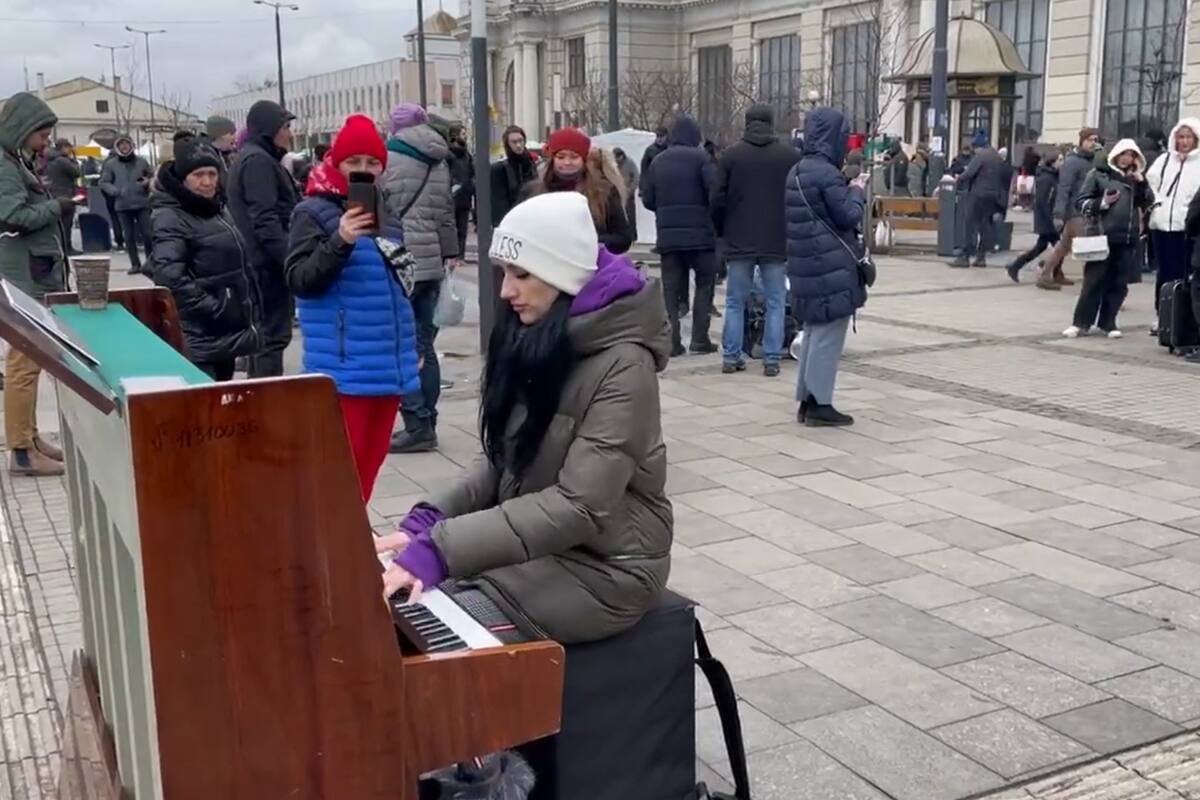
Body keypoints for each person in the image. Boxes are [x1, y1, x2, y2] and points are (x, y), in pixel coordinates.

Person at [375, 191, 672, 645]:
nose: (505, 291)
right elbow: (503, 459)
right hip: (542, 548)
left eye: (521, 274)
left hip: (607, 569)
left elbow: (580, 506)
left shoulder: (625, 364)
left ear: (562, 276)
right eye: (504, 273)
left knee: (427, 630)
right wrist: (430, 521)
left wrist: (442, 548)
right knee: (399, 607)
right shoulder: (539, 335)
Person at [285, 115, 421, 501]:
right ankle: (334, 548)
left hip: (388, 365)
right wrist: (340, 240)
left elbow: (398, 289)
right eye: (353, 162)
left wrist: (412, 349)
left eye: (372, 163)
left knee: (368, 470)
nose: (363, 171)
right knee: (338, 474)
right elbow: (301, 281)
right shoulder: (311, 212)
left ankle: (352, 544)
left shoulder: (387, 215)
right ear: (336, 162)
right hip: (344, 367)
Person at [150, 136, 261, 380]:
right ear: (183, 178)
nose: (207, 182)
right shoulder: (171, 216)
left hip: (224, 333)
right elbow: (169, 276)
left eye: (212, 174)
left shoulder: (217, 209)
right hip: (200, 335)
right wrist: (216, 307)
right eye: (198, 175)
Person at [0, 92, 70, 476]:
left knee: (33, 357)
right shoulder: (5, 166)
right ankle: (22, 451)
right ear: (22, 129)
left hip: (30, 269)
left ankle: (29, 435)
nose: (45, 142)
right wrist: (55, 206)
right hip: (23, 273)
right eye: (41, 134)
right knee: (25, 360)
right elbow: (10, 215)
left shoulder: (15, 160)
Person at [383, 103, 458, 454]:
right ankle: (429, 419)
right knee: (425, 345)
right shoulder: (439, 159)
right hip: (430, 265)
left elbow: (381, 210)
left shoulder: (388, 158)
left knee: (403, 345)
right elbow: (446, 213)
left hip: (399, 261)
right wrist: (449, 254)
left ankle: (416, 424)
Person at [785, 107, 868, 427]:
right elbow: (848, 215)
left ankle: (807, 399)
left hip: (806, 263)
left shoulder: (797, 170)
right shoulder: (826, 173)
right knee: (828, 333)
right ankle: (820, 404)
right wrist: (857, 191)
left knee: (815, 331)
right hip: (829, 264)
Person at [712, 104, 801, 377]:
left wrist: (722, 230)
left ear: (747, 123)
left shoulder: (731, 156)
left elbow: (717, 198)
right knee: (776, 300)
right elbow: (796, 198)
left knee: (735, 301)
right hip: (776, 238)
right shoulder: (789, 157)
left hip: (739, 238)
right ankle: (772, 358)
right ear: (771, 123)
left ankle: (731, 355)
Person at [227, 100, 298, 378]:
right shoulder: (258, 161)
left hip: (258, 263)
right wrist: (289, 259)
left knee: (264, 338)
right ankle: (268, 404)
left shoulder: (255, 157)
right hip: (265, 266)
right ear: (270, 129)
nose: (289, 133)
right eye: (286, 127)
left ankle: (260, 401)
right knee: (272, 338)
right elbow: (265, 218)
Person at [641, 116, 718, 356]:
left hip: (668, 238)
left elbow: (648, 199)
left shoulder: (658, 161)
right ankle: (699, 339)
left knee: (671, 291)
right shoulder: (703, 159)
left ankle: (672, 342)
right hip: (701, 237)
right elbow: (714, 192)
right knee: (705, 285)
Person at [1063, 140, 1152, 339]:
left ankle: (1108, 322)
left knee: (1119, 283)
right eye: (1123, 154)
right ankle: (1081, 323)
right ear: (1116, 155)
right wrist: (1101, 203)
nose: (1126, 158)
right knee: (1093, 281)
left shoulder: (1135, 179)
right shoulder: (1098, 174)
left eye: (1131, 155)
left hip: (1128, 237)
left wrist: (1141, 181)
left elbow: (1148, 201)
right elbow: (1081, 201)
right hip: (1103, 235)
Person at [528, 127, 633, 254]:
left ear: (583, 160)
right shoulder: (533, 192)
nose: (567, 162)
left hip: (592, 266)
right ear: (552, 159)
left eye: (574, 157)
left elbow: (623, 238)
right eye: (561, 157)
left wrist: (587, 242)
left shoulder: (604, 191)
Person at [1147, 118, 1200, 321]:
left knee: (1185, 272)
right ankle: (1162, 315)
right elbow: (1151, 185)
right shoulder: (1165, 160)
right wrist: (1158, 204)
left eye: (1188, 137)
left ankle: (1181, 317)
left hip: (1186, 226)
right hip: (1161, 225)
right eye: (1180, 137)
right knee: (1164, 272)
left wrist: (1190, 208)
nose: (1184, 142)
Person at [1040, 128, 1101, 290]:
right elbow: (1063, 188)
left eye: (1095, 140)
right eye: (1090, 140)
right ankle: (1094, 286)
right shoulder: (1072, 162)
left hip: (1086, 211)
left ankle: (1046, 274)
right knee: (1090, 250)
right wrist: (1058, 214)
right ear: (1081, 141)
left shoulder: (1094, 161)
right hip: (1076, 213)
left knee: (1063, 246)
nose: (1093, 143)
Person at [950, 130, 1006, 268]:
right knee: (985, 225)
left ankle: (964, 257)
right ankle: (981, 257)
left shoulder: (981, 156)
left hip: (978, 194)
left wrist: (958, 178)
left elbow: (969, 173)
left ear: (978, 146)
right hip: (993, 195)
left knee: (969, 224)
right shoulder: (996, 156)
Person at [100, 134, 154, 274]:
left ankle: (151, 262)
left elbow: (152, 176)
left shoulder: (142, 162)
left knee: (148, 234)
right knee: (128, 236)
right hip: (123, 205)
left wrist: (148, 182)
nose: (124, 147)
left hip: (142, 203)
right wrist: (115, 191)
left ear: (131, 146)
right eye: (121, 144)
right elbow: (104, 182)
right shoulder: (111, 164)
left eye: (126, 144)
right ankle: (135, 264)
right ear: (117, 147)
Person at [1006, 151, 1062, 283]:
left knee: (1042, 247)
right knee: (1060, 247)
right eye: (1060, 160)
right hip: (1046, 220)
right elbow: (1042, 202)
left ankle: (1016, 266)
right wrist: (1051, 220)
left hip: (1046, 220)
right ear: (1053, 162)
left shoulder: (1052, 176)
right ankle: (1048, 271)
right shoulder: (1046, 178)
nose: (1062, 162)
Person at [490, 125, 537, 226]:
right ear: (507, 144)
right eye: (514, 142)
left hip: (532, 219)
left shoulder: (531, 165)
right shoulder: (499, 169)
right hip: (511, 222)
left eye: (521, 140)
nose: (519, 145)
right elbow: (498, 205)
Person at [45, 139, 81, 254]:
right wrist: (73, 160)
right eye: (69, 147)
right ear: (64, 147)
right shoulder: (62, 160)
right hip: (65, 195)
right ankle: (67, 248)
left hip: (54, 194)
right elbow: (77, 172)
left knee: (58, 224)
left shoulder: (50, 160)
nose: (70, 150)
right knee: (66, 224)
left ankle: (60, 247)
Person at [446, 122, 475, 262]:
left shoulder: (467, 155)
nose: (465, 137)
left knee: (462, 229)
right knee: (452, 228)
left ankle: (460, 256)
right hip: (452, 196)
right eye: (463, 134)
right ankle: (453, 255)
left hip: (465, 196)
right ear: (455, 136)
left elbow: (472, 173)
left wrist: (471, 186)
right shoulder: (448, 154)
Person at [613, 147, 640, 242]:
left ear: (621, 156)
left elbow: (636, 177)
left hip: (628, 193)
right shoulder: (613, 164)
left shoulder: (630, 163)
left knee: (630, 216)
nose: (616, 160)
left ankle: (633, 237)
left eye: (617, 158)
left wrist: (630, 190)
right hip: (617, 193)